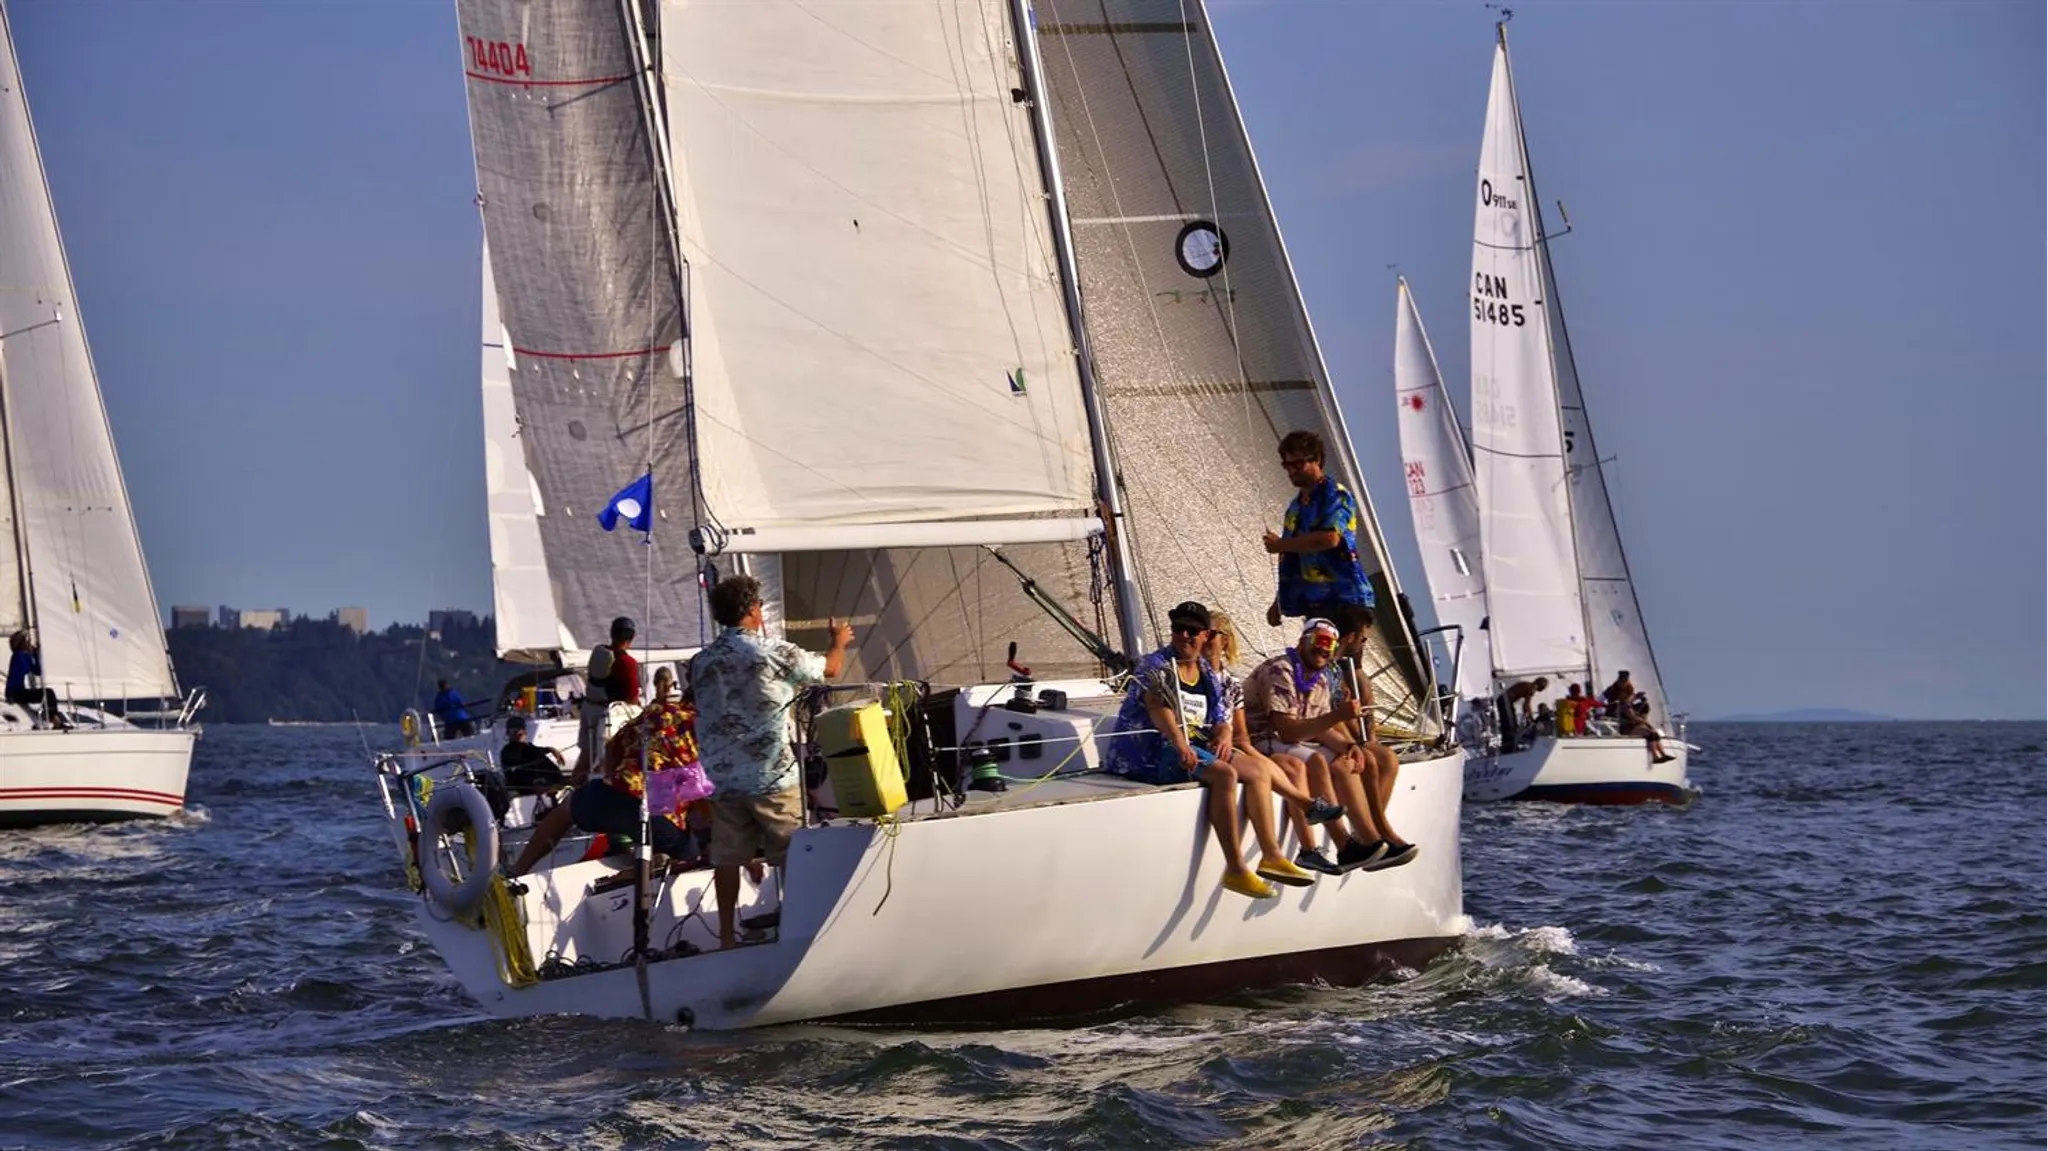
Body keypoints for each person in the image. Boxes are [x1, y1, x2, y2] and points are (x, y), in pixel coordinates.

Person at [1102, 601, 1311, 899]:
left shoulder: (1206, 673)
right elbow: (1158, 707)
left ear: (1205, 636)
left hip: (1194, 745)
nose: (1184, 635)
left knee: (1257, 770)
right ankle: (1235, 868)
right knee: (1225, 774)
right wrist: (1179, 742)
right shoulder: (1157, 665)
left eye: (1192, 630)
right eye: (1178, 629)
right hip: (1151, 753)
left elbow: (1220, 721)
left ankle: (1272, 855)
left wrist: (1224, 736)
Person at [691, 574, 851, 949]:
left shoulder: (700, 662)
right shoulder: (773, 652)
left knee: (727, 857)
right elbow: (829, 669)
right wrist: (838, 642)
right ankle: (802, 929)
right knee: (793, 852)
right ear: (752, 610)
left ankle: (728, 939)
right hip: (771, 775)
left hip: (724, 779)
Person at [1244, 618, 1416, 874]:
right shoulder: (1280, 670)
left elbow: (1321, 728)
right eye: (1319, 640)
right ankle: (1345, 845)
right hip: (1261, 739)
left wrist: (1349, 745)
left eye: (1330, 644)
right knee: (1317, 762)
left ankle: (1370, 839)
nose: (1324, 649)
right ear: (1303, 640)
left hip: (1291, 740)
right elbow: (1287, 730)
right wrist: (1339, 716)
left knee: (1352, 760)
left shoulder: (1321, 678)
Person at [506, 673, 700, 878]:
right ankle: (630, 876)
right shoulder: (706, 731)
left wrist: (612, 779)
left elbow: (612, 748)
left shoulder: (659, 711)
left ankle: (517, 870)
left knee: (566, 810)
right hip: (660, 815)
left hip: (618, 794)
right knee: (692, 858)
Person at [1204, 611, 1345, 887]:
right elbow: (1285, 729)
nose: (1204, 639)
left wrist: (1353, 744)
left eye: (1212, 634)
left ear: (1226, 641)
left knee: (1279, 766)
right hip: (1220, 747)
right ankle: (1296, 836)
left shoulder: (1230, 683)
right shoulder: (1189, 672)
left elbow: (1240, 737)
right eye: (1203, 633)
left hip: (1239, 746)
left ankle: (1306, 849)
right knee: (1279, 767)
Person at [1326, 603, 1417, 867]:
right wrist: (1354, 743)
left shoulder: (1339, 668)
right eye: (1363, 638)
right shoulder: (1326, 665)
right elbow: (1328, 712)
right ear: (1351, 638)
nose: (1365, 644)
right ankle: (1378, 832)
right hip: (1323, 733)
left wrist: (1364, 739)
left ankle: (1371, 830)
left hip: (1338, 731)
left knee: (1388, 758)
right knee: (1372, 760)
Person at [1263, 429, 1374, 628]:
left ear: (1316, 460)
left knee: (1338, 657)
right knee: (1315, 656)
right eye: (1286, 465)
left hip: (1346, 600)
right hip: (1315, 603)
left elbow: (1330, 539)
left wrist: (1281, 544)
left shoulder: (1335, 495)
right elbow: (1293, 556)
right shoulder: (1294, 509)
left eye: (1297, 463)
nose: (1291, 470)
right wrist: (1279, 602)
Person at [574, 616, 642, 782]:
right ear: (631, 638)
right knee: (607, 762)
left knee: (586, 757)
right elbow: (631, 698)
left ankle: (576, 790)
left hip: (589, 709)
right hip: (607, 716)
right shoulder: (627, 662)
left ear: (612, 634)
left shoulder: (599, 651)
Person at [1603, 671, 1676, 763]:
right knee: (1651, 733)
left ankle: (1663, 754)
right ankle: (1655, 757)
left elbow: (1639, 716)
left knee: (1653, 733)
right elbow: (1632, 717)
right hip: (1625, 728)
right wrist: (1646, 723)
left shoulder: (1629, 701)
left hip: (1632, 725)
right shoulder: (1624, 705)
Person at [5, 631, 67, 730]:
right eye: (27, 641)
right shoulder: (18, 655)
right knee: (47, 693)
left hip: (20, 690)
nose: (29, 643)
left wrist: (35, 655)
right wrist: (31, 654)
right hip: (14, 692)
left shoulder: (24, 656)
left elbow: (37, 671)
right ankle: (55, 721)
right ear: (21, 643)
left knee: (48, 693)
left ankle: (54, 719)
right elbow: (25, 668)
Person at [498, 714, 567, 791]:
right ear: (508, 733)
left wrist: (551, 749)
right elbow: (515, 775)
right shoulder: (507, 752)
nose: (518, 734)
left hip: (547, 787)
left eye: (520, 731)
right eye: (514, 731)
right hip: (525, 791)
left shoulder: (530, 748)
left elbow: (537, 751)